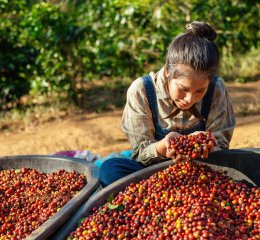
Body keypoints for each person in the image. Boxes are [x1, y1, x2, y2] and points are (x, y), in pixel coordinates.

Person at [99, 21, 236, 187]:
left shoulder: (216, 88)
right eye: (183, 89)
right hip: (154, 172)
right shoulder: (141, 90)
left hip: (201, 170)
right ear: (167, 73)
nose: (189, 99)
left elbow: (222, 146)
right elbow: (140, 152)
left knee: (244, 165)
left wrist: (204, 144)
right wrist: (162, 147)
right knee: (111, 169)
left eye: (200, 91)